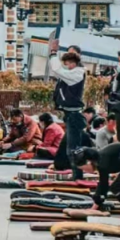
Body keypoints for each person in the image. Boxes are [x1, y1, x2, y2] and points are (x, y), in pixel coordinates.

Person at [47, 44, 87, 181]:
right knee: (72, 147)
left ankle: (77, 175)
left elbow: (57, 69)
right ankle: (76, 173)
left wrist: (53, 53)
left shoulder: (77, 74)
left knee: (73, 148)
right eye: (66, 63)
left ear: (75, 63)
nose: (67, 66)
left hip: (74, 116)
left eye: (69, 63)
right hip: (70, 114)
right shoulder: (73, 73)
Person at [73, 144, 120, 211]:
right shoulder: (101, 158)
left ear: (88, 162)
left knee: (118, 187)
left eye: (83, 169)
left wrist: (95, 205)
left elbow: (103, 185)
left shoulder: (102, 161)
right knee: (118, 186)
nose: (85, 171)